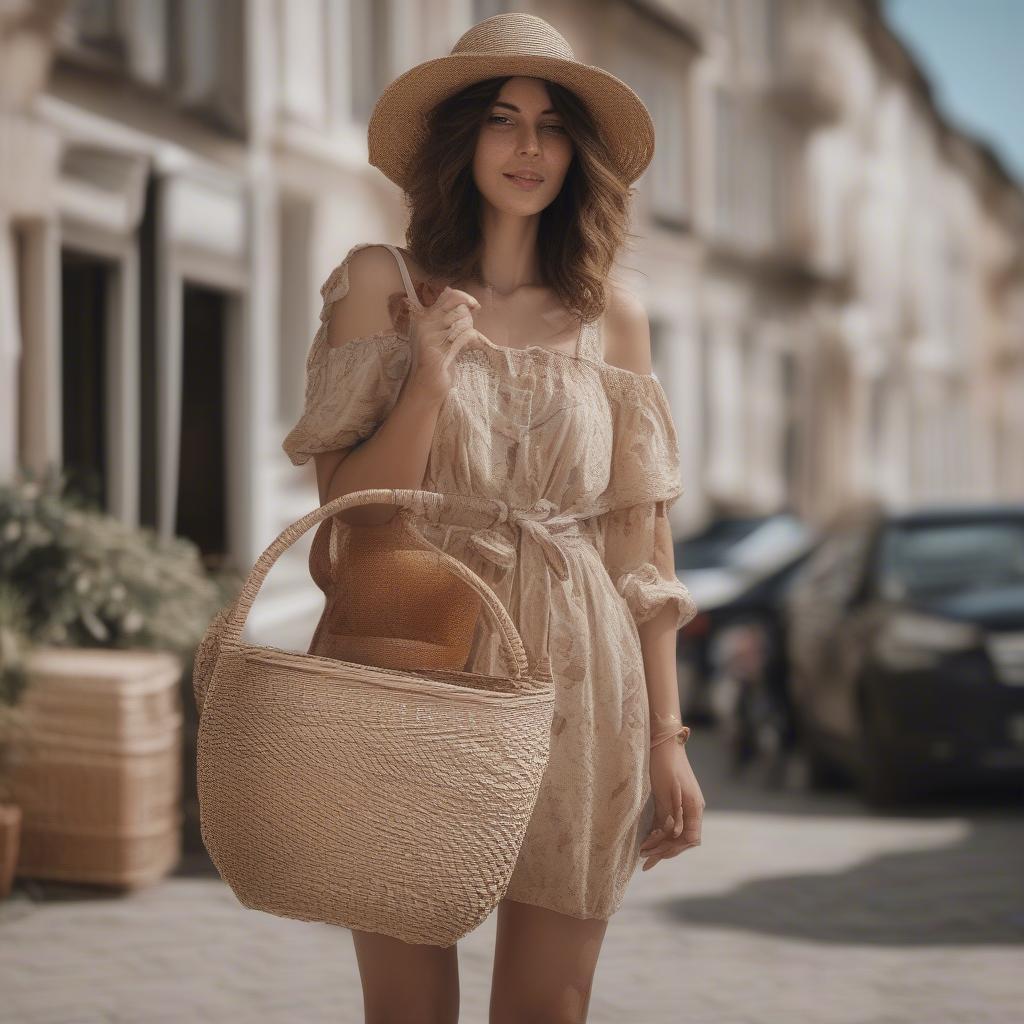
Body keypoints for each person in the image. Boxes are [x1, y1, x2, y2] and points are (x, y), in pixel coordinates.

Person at [282, 13, 705, 1024]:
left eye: (552, 126)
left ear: (578, 152)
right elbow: (348, 510)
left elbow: (637, 543)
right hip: (411, 658)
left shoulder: (613, 312)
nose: (528, 149)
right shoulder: (382, 283)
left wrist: (668, 735)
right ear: (460, 139)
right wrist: (428, 374)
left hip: (578, 675)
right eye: (503, 120)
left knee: (548, 1009)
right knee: (408, 1012)